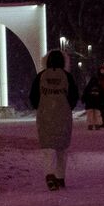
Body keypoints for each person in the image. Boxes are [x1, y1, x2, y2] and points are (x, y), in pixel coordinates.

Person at [29, 50, 78, 191]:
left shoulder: (41, 77)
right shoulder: (67, 77)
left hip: (45, 115)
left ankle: (50, 174)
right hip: (63, 115)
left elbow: (33, 97)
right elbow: (74, 96)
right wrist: (65, 106)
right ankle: (60, 177)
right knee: (62, 148)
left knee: (48, 147)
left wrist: (42, 106)